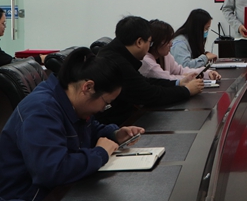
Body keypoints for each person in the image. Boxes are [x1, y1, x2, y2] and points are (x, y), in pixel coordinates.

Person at [0, 47, 144, 200]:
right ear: (88, 87)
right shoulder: (41, 110)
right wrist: (100, 153)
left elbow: (90, 129)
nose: (103, 109)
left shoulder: (72, 102)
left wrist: (114, 134)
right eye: (106, 102)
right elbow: (52, 171)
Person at [95, 16, 204, 125]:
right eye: (150, 42)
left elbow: (144, 81)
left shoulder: (117, 53)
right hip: (115, 124)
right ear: (139, 42)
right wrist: (186, 91)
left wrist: (178, 83)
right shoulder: (117, 62)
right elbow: (149, 94)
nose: (149, 47)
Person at [141, 19, 221, 81]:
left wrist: (206, 73)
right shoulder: (147, 62)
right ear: (156, 42)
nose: (171, 44)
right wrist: (186, 77)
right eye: (167, 41)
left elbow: (180, 70)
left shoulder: (165, 55)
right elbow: (166, 79)